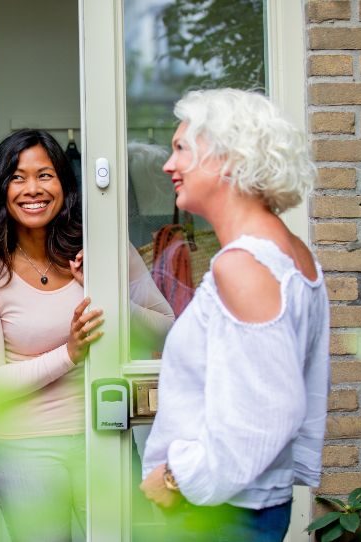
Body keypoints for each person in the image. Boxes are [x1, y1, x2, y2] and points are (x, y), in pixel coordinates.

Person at [140, 88, 329, 542]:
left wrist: (175, 479)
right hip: (245, 506)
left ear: (225, 158)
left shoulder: (244, 264)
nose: (168, 165)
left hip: (225, 514)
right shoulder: (288, 251)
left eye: (181, 148)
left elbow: (273, 412)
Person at [0, 129, 103, 541]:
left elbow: (164, 324)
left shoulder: (99, 253)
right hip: (24, 450)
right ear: (1, 189)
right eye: (17, 178)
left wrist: (106, 289)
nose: (32, 189)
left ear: (63, 183)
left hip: (105, 438)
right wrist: (69, 354)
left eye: (45, 175)